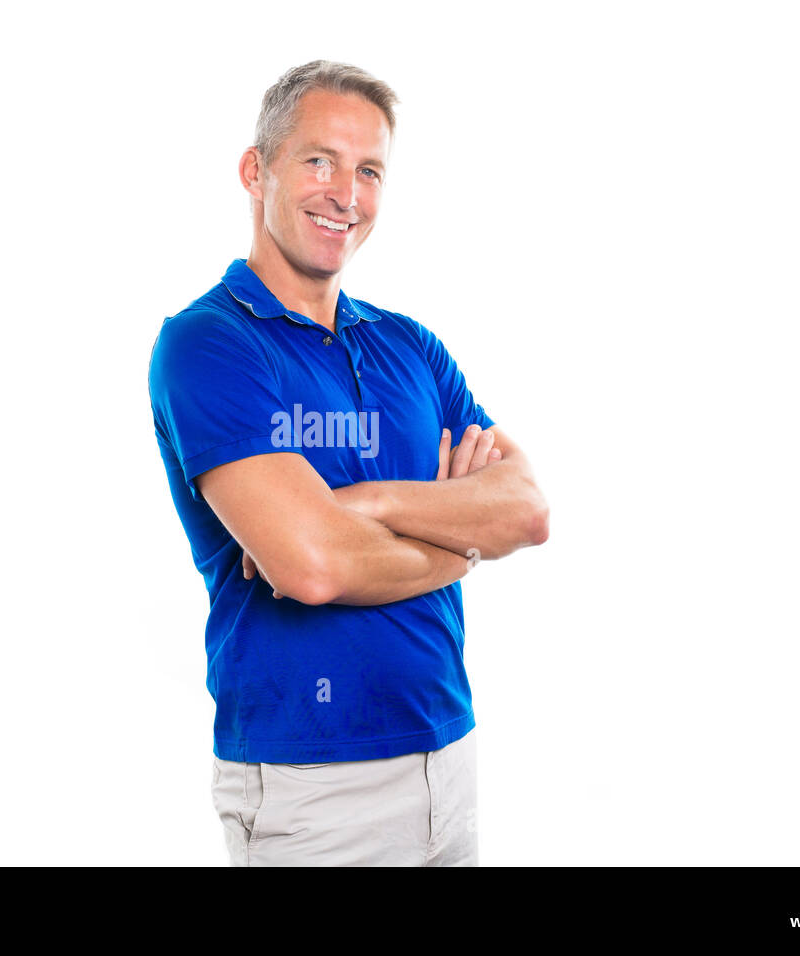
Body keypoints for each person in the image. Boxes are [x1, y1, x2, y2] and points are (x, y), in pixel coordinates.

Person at [147, 60, 549, 866]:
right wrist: (462, 540)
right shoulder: (209, 344)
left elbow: (527, 510)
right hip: (312, 785)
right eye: (319, 161)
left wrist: (361, 503)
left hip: (449, 753)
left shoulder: (412, 345)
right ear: (255, 170)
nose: (347, 194)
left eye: (369, 171)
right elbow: (312, 566)